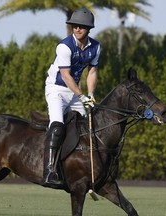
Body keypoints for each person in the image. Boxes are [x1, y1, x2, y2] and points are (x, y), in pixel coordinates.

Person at [42, 8, 101, 186]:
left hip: (76, 92)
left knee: (88, 126)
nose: (77, 29)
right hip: (57, 89)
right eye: (75, 25)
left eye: (82, 26)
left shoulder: (96, 47)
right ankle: (49, 171)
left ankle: (84, 169)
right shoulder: (64, 46)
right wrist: (82, 96)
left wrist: (90, 95)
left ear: (89, 29)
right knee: (58, 125)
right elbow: (66, 76)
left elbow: (92, 72)